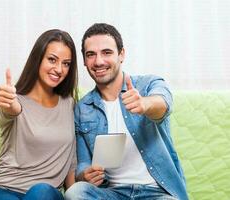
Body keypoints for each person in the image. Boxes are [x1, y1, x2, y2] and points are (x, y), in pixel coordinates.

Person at [65, 23, 188, 200]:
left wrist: (144, 104)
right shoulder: (82, 108)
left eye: (107, 52)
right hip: (112, 193)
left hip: (156, 193)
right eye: (91, 54)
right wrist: (85, 174)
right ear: (84, 61)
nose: (98, 61)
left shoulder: (148, 85)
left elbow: (163, 103)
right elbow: (83, 161)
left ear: (121, 54)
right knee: (75, 193)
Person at [0, 29, 78, 200]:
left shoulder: (69, 103)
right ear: (38, 59)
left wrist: (76, 194)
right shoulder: (14, 101)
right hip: (3, 188)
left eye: (66, 63)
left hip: (45, 194)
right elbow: (10, 111)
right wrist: (10, 105)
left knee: (40, 192)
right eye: (52, 60)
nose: (59, 69)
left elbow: (70, 161)